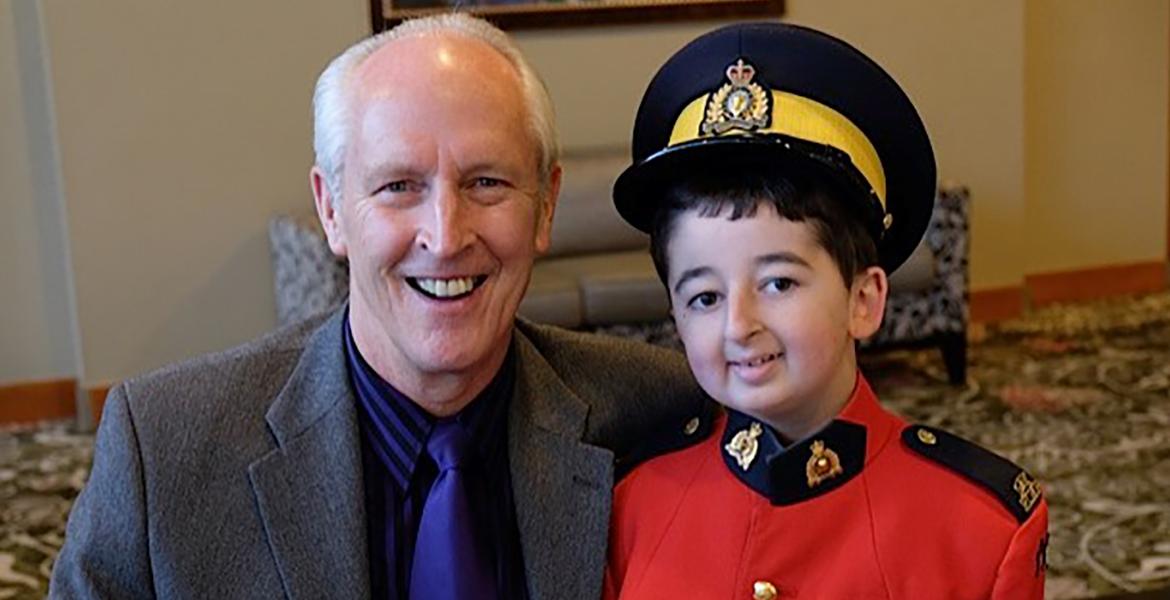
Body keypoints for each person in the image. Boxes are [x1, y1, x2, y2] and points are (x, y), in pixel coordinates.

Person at [49, 13, 709, 600]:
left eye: (487, 182)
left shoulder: (665, 413)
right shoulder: (165, 452)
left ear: (546, 206)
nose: (446, 237)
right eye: (398, 186)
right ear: (332, 210)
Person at [604, 22, 1048, 599]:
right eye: (705, 297)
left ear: (863, 301)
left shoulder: (979, 529)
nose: (739, 324)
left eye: (779, 283)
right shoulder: (634, 498)